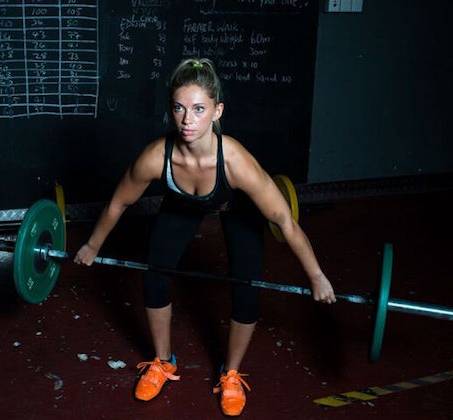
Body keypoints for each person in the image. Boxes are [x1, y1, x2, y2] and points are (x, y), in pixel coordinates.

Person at [74, 58, 336, 417]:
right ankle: (164, 362)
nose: (187, 120)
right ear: (171, 110)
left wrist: (317, 276)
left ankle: (230, 373)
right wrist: (92, 245)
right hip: (183, 205)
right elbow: (119, 202)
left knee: (246, 285)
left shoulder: (235, 160)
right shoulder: (156, 157)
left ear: (217, 111)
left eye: (199, 109)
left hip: (236, 208)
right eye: (179, 108)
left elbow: (283, 221)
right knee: (155, 274)